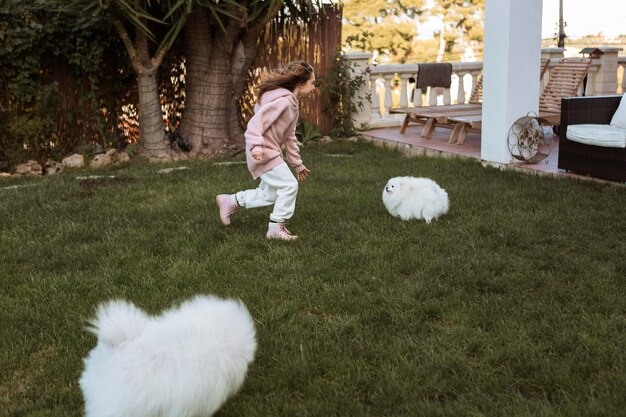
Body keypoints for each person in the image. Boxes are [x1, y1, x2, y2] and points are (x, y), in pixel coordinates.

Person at [216, 61, 315, 240]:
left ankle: (231, 200)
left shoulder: (292, 105)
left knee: (270, 194)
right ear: (301, 84)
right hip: (262, 152)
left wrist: (297, 164)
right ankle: (276, 228)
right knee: (289, 185)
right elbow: (255, 124)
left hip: (269, 151)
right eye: (312, 83)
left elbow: (289, 137)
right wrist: (256, 147)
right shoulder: (283, 102)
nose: (314, 87)